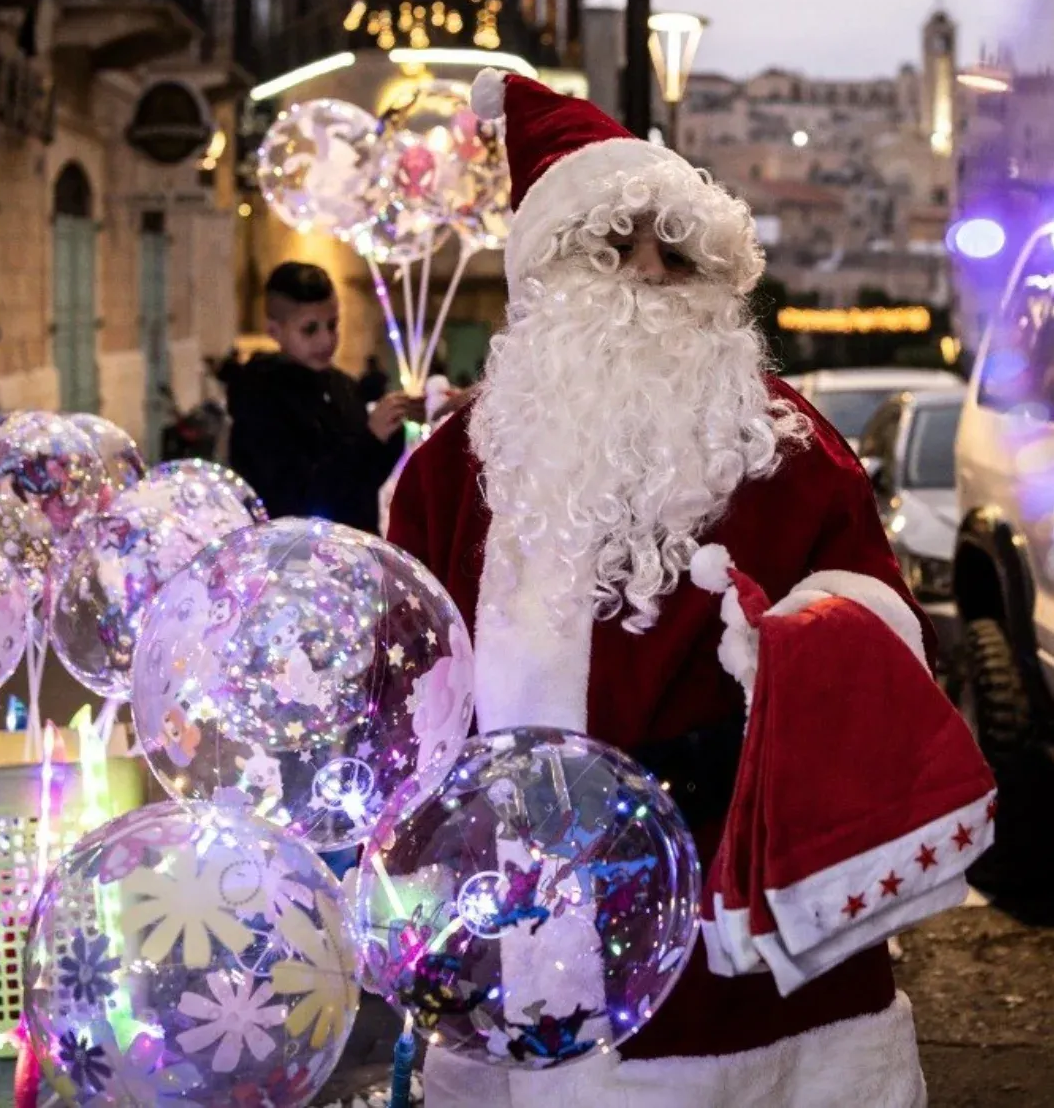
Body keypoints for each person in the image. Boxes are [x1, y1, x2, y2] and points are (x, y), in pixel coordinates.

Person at [387, 71, 970, 1107]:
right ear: (546, 275)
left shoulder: (788, 444)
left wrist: (774, 683)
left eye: (677, 249)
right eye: (616, 246)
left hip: (746, 933)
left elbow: (888, 629)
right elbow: (407, 683)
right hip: (527, 929)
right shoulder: (447, 471)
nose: (653, 274)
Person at [222, 262, 421, 532]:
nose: (326, 340)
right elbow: (294, 499)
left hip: (356, 554)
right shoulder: (259, 398)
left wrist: (392, 428)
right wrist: (370, 438)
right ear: (274, 331)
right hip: (297, 561)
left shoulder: (342, 386)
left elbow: (365, 479)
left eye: (332, 324)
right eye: (310, 329)